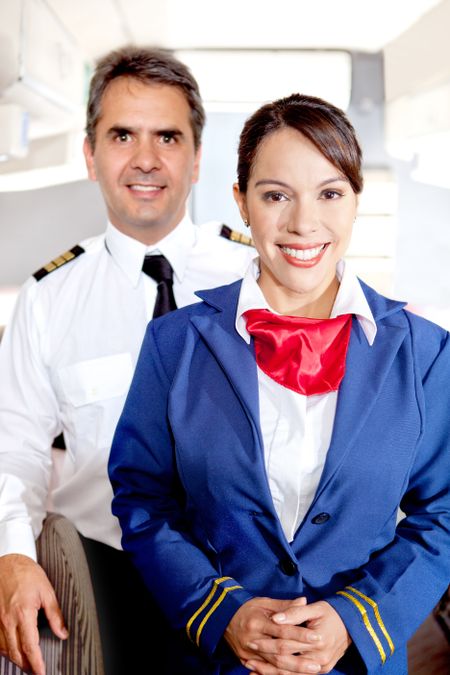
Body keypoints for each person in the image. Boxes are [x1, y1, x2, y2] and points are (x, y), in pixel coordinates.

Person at [109, 92, 450, 675]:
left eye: (329, 193)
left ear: (355, 201)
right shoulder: (176, 344)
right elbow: (144, 502)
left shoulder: (422, 352)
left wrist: (355, 619)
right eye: (275, 196)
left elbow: (443, 512)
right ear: (241, 201)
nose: (303, 224)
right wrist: (222, 614)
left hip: (359, 662)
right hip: (216, 661)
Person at [0, 46, 255, 675]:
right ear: (91, 156)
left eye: (167, 136)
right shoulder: (48, 298)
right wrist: (11, 554)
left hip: (245, 579)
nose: (145, 159)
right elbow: (16, 448)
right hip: (106, 584)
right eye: (122, 135)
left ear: (196, 158)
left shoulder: (259, 274)